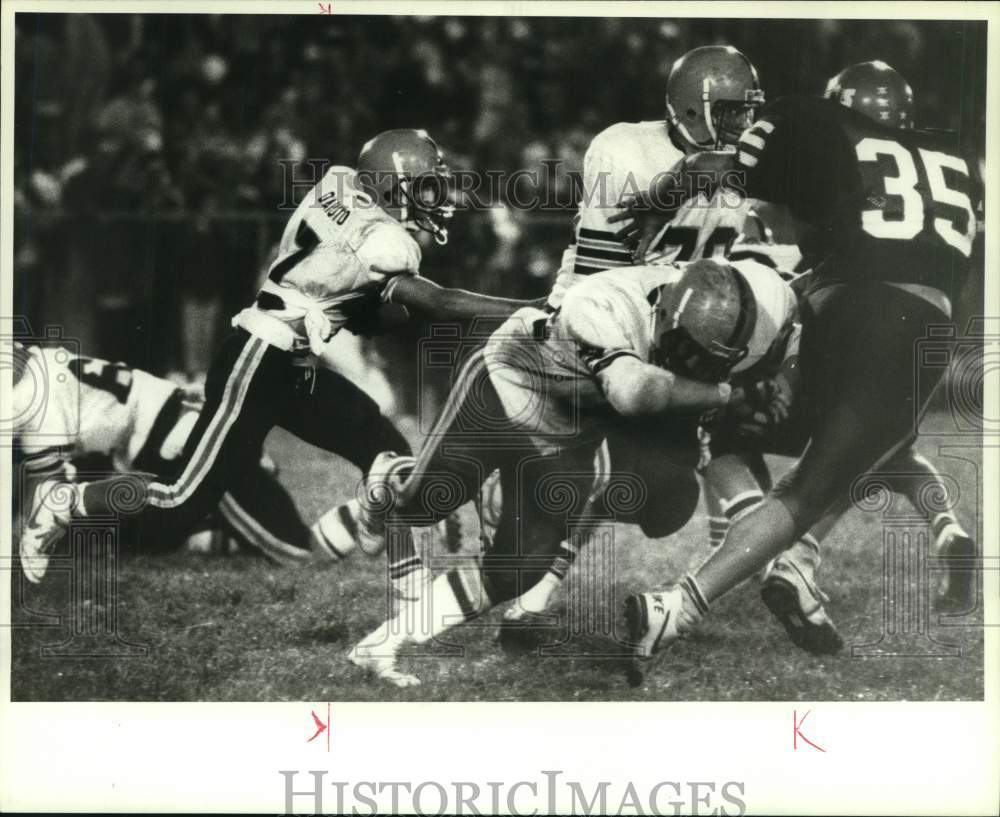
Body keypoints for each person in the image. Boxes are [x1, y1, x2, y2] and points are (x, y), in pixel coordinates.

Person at [19, 129, 539, 589]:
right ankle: (65, 502)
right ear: (389, 185)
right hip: (259, 359)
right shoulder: (385, 241)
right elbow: (438, 302)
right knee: (178, 504)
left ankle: (402, 572)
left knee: (381, 442)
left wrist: (378, 310)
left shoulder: (338, 184)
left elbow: (359, 301)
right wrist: (529, 308)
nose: (433, 197)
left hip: (290, 360)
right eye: (422, 186)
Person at [621, 61, 980, 684]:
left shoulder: (820, 121)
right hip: (913, 319)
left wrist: (663, 199)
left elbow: (726, 164)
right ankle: (681, 606)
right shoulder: (959, 157)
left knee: (750, 435)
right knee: (825, 480)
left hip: (829, 306)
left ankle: (785, 565)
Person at [348, 256, 796, 687]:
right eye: (693, 356)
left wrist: (765, 392)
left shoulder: (716, 307)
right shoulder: (603, 306)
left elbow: (778, 330)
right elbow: (636, 393)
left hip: (568, 429)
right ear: (666, 319)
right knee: (425, 505)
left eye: (713, 362)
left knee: (519, 568)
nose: (700, 369)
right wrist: (729, 395)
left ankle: (380, 645)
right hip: (507, 386)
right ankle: (387, 479)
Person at [9, 341, 322, 574]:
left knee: (294, 547)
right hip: (155, 425)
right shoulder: (42, 361)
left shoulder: (29, 399)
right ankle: (201, 529)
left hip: (164, 433)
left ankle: (201, 526)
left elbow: (45, 487)